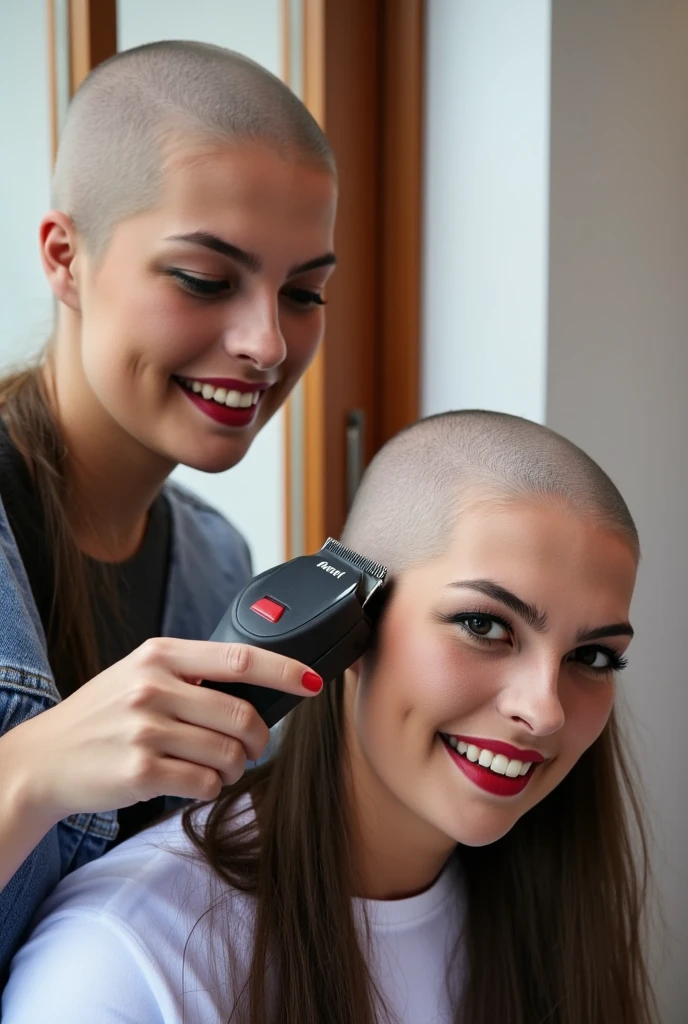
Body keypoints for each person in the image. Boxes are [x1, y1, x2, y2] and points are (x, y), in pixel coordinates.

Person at [1, 410, 657, 1023]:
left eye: (594, 656)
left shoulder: (557, 923)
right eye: (484, 625)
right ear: (349, 624)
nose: (544, 710)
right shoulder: (124, 961)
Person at [0, 39, 337, 979]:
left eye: (304, 291)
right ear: (65, 257)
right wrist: (29, 775)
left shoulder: (223, 567)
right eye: (203, 279)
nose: (267, 342)